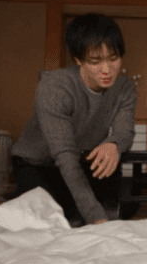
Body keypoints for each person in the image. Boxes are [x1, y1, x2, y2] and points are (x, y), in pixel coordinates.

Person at [9, 13, 137, 227]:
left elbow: (125, 131)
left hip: (81, 158)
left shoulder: (125, 88)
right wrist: (96, 216)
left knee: (121, 202)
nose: (107, 70)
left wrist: (114, 144)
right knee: (50, 217)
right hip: (38, 163)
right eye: (95, 61)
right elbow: (65, 155)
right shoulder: (55, 87)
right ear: (78, 60)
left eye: (113, 58)